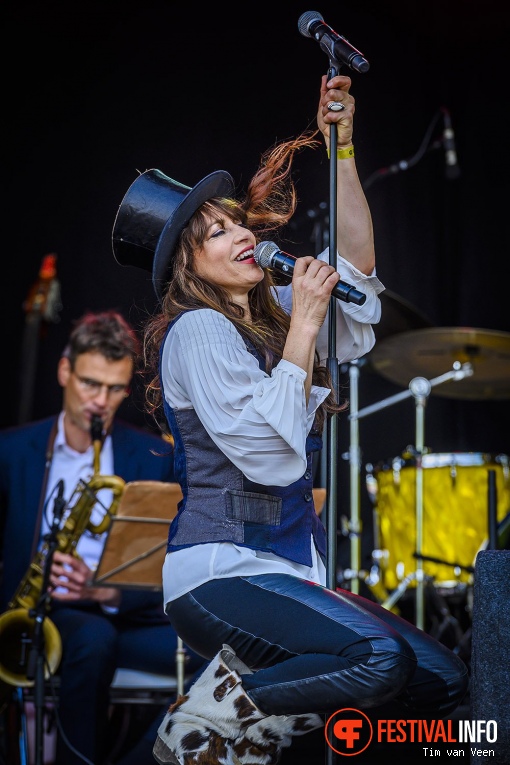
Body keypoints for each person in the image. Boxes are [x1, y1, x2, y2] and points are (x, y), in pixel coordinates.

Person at [111, 74, 469, 765]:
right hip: (217, 570)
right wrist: (305, 320)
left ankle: (243, 720)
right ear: (191, 267)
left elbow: (359, 270)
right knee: (378, 656)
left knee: (442, 680)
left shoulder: (275, 308)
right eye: (215, 233)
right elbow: (268, 456)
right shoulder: (198, 332)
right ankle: (199, 725)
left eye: (234, 219)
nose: (240, 232)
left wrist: (342, 148)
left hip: (288, 570)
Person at [0, 310, 206, 765]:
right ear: (64, 371)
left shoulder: (152, 456)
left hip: (122, 613)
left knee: (213, 651)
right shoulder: (10, 451)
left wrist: (107, 589)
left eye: (115, 389)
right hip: (35, 614)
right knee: (93, 639)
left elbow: (167, 559)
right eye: (90, 384)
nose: (100, 401)